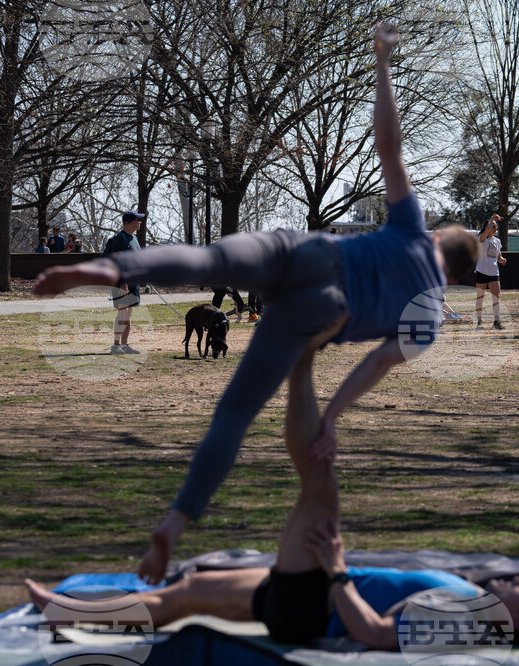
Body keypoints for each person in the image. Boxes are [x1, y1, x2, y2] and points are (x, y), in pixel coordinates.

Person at [32, 22, 477, 585]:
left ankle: (110, 266)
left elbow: (389, 145)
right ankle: (173, 523)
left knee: (209, 260)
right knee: (235, 414)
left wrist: (383, 64)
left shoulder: (414, 228)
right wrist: (333, 418)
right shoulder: (430, 317)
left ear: (437, 240)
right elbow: (375, 365)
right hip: (321, 311)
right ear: (457, 277)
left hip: (306, 252)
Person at [24, 343, 519, 649]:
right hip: (316, 590)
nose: (517, 580)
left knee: (319, 479)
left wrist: (336, 569)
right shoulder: (478, 610)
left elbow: (376, 634)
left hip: (315, 600)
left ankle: (300, 359)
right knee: (188, 590)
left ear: (515, 622)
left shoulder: (478, 623)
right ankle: (68, 612)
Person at [103, 211, 146, 355]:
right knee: (122, 313)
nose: (140, 222)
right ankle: (115, 346)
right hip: (122, 283)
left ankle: (125, 345)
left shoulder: (134, 239)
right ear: (128, 222)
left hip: (133, 283)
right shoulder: (120, 239)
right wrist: (121, 282)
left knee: (128, 315)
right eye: (137, 220)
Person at [475, 214, 506, 330]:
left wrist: (502, 260)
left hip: (494, 272)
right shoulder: (482, 239)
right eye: (493, 226)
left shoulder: (497, 241)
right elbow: (487, 230)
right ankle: (479, 322)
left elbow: (498, 256)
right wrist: (492, 218)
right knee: (480, 297)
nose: (495, 228)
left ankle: (496, 321)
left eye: (496, 226)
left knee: (496, 297)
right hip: (482, 271)